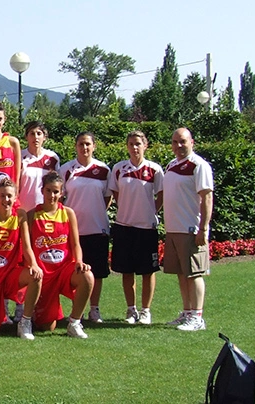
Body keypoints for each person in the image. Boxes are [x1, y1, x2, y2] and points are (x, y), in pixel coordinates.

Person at [0, 179, 42, 340]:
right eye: (2, 196)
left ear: (16, 197)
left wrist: (34, 265)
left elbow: (26, 246)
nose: (6, 200)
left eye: (9, 196)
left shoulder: (20, 216)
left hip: (10, 275)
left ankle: (25, 323)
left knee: (36, 276)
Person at [27, 171, 95, 339]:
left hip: (63, 271)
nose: (52, 195)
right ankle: (34, 313)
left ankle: (74, 323)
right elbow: (26, 246)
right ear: (42, 191)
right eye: (49, 190)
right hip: (43, 275)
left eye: (56, 191)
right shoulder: (31, 215)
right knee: (45, 327)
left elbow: (75, 243)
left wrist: (79, 261)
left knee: (87, 276)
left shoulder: (68, 213)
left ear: (62, 192)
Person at [108, 130, 164, 325]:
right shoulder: (118, 168)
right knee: (127, 270)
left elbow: (161, 194)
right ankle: (131, 310)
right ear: (127, 146)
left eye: (138, 144)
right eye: (131, 144)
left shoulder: (155, 169)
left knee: (148, 271)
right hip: (124, 225)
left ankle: (146, 310)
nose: (134, 147)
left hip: (146, 228)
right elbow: (113, 192)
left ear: (145, 145)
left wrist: (151, 212)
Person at [163, 128, 214, 332]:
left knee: (194, 273)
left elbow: (207, 197)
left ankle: (197, 316)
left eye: (183, 141)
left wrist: (203, 228)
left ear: (192, 142)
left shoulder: (199, 165)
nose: (179, 146)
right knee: (182, 273)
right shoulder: (172, 165)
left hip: (191, 228)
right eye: (175, 142)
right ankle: (187, 312)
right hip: (174, 228)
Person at [57, 132, 111, 323]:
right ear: (76, 146)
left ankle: (94, 310)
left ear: (94, 146)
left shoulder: (104, 170)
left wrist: (95, 211)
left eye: (88, 144)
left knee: (97, 273)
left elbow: (107, 197)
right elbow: (59, 198)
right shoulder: (65, 169)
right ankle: (73, 311)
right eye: (81, 144)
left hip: (98, 228)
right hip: (73, 231)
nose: (84, 147)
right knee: (73, 272)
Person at [18, 121, 60, 212]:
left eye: (39, 134)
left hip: (45, 212)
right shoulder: (19, 156)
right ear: (26, 137)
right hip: (23, 210)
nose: (35, 137)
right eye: (32, 134)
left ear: (44, 137)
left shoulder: (53, 158)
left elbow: (57, 186)